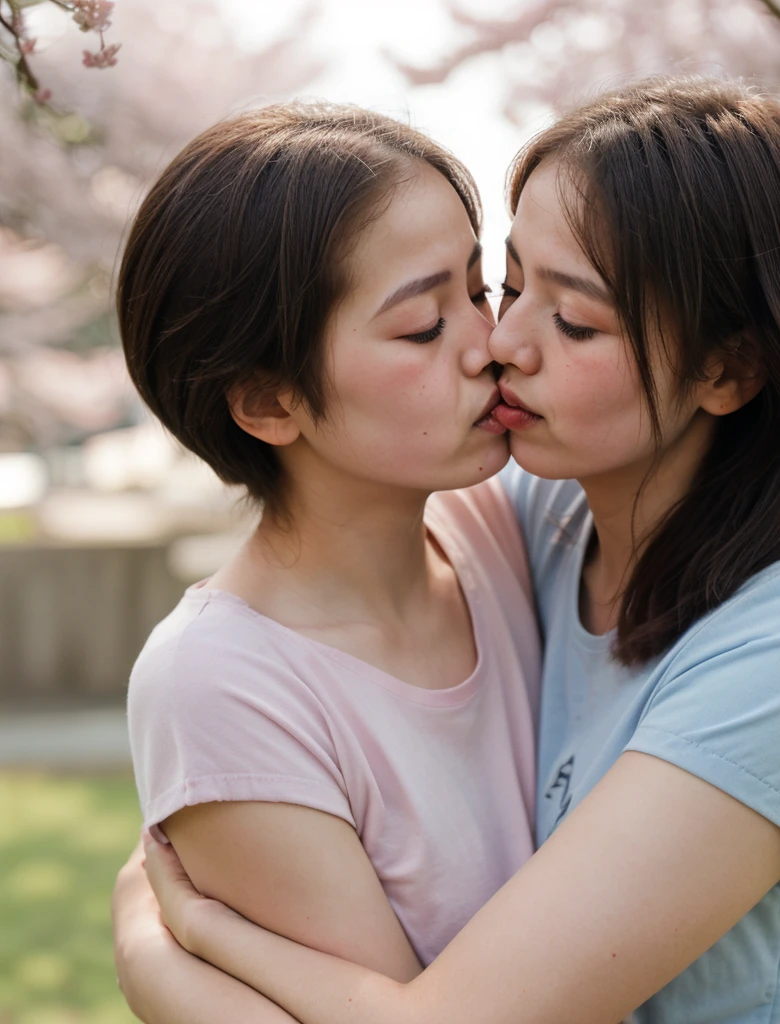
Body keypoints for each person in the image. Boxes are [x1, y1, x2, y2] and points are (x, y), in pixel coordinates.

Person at [115, 76, 780, 1024]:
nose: (500, 342)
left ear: (728, 368)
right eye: (508, 286)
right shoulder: (539, 523)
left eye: (572, 319)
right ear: (266, 401)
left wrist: (163, 944)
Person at [115, 101, 544, 1019]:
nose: (492, 344)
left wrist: (184, 938)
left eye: (479, 290)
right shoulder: (224, 683)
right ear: (270, 402)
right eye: (425, 326)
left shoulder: (508, 526)